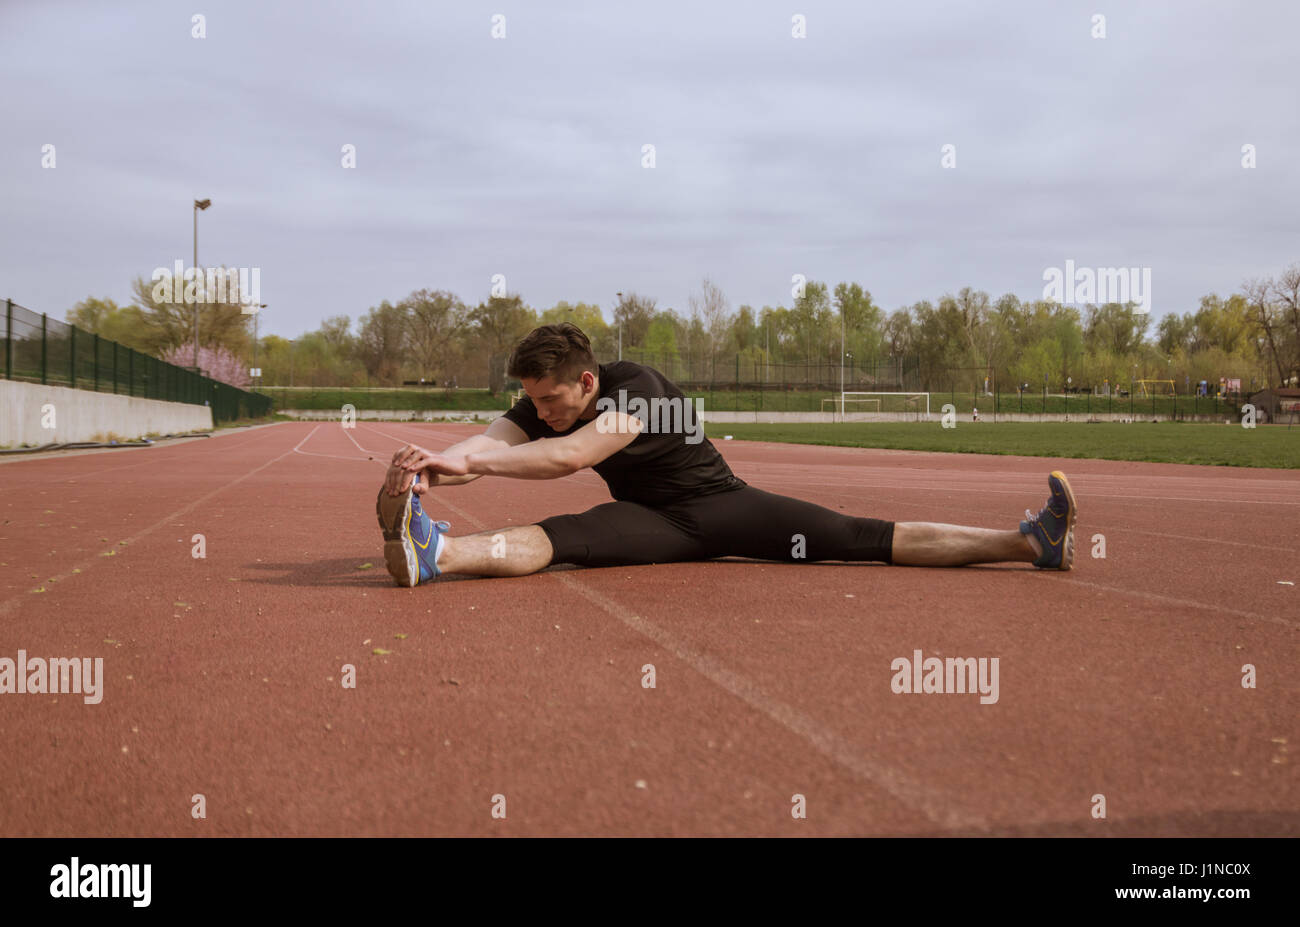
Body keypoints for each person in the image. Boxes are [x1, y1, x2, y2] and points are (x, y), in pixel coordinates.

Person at [376, 324, 1077, 586]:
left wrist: (472, 465)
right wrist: (444, 456)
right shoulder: (543, 398)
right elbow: (492, 441)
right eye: (533, 402)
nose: (541, 411)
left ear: (587, 381)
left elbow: (572, 455)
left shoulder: (638, 389)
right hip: (654, 520)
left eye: (551, 401)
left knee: (859, 537)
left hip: (724, 508)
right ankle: (434, 554)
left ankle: (1027, 542)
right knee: (565, 538)